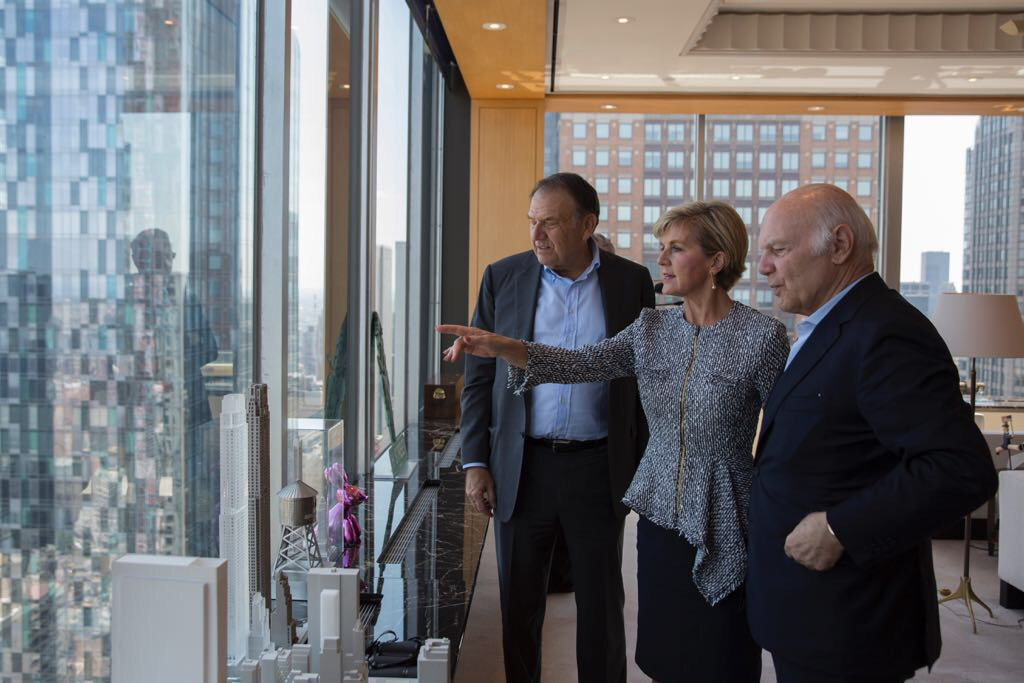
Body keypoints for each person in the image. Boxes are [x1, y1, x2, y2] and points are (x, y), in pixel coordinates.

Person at [442, 200, 790, 683]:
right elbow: (576, 363)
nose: (661, 260)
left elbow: (787, 436)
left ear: (716, 260)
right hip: (659, 514)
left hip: (726, 514)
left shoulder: (763, 336)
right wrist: (499, 345)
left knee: (721, 654)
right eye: (661, 248)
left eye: (676, 249)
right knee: (665, 654)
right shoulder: (652, 327)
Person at [748, 184, 999, 682]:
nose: (763, 268)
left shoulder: (886, 333)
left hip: (850, 625)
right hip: (810, 614)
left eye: (778, 250)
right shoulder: (826, 326)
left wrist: (841, 527)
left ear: (839, 245)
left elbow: (959, 469)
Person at [458, 172, 654, 682]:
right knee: (519, 605)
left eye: (550, 222)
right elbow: (479, 379)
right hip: (523, 466)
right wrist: (476, 462)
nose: (537, 234)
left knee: (602, 606)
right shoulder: (503, 278)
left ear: (588, 224)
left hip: (599, 464)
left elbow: (644, 383)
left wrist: (642, 467)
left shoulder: (630, 282)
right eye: (532, 222)